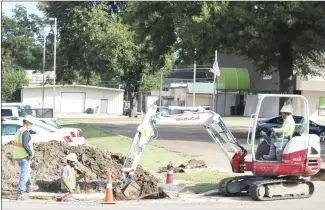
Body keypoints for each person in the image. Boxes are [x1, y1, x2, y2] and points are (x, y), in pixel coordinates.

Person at [13, 116, 35, 200]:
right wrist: (30, 154)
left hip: (18, 155)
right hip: (24, 156)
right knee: (24, 175)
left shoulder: (19, 130)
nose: (31, 126)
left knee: (27, 171)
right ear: (28, 123)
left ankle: (29, 187)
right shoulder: (25, 132)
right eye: (31, 124)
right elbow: (25, 144)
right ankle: (20, 194)